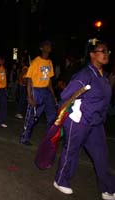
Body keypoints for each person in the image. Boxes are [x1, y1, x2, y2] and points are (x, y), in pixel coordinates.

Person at [53, 38, 115, 200]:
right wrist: (71, 112)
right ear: (92, 55)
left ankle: (108, 188)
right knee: (71, 151)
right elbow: (66, 95)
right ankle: (61, 180)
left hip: (96, 122)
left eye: (107, 51)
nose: (106, 54)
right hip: (78, 120)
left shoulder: (103, 76)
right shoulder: (85, 74)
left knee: (101, 155)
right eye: (103, 51)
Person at [19, 40, 57, 145]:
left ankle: (49, 139)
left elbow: (49, 80)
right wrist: (29, 96)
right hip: (36, 90)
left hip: (46, 91)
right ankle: (24, 138)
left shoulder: (49, 62)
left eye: (50, 45)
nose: (49, 47)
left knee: (53, 116)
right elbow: (29, 79)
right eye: (46, 45)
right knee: (33, 116)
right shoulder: (36, 62)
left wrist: (53, 95)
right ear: (41, 48)